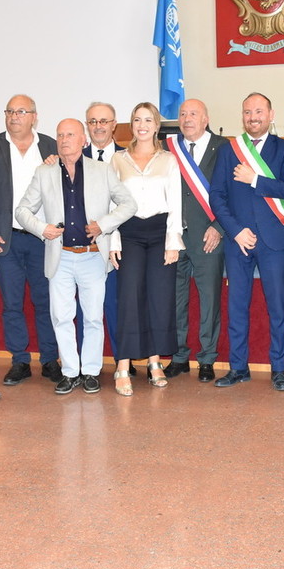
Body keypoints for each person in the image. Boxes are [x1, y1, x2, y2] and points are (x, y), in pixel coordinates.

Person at [15, 118, 137, 395]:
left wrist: (103, 225)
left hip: (93, 256)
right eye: (60, 135)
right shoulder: (44, 172)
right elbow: (22, 211)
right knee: (61, 317)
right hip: (60, 257)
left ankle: (91, 372)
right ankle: (70, 372)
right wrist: (42, 229)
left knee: (93, 318)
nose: (64, 140)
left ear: (83, 140)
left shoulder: (102, 170)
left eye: (70, 135)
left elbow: (129, 204)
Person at [209, 92, 284, 391]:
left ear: (271, 115)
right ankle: (238, 368)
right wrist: (235, 231)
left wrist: (254, 179)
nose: (253, 117)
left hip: (273, 241)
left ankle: (279, 369)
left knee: (277, 307)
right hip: (238, 241)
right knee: (237, 307)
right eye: (248, 112)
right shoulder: (229, 150)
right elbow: (217, 197)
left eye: (259, 111)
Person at [0, 94, 62, 386]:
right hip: (6, 238)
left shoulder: (50, 146)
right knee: (11, 304)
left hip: (42, 239)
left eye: (21, 111)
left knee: (45, 301)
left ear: (34, 117)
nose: (14, 116)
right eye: (10, 111)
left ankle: (50, 359)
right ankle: (19, 361)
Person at [108, 102, 183, 395]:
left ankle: (154, 363)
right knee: (129, 298)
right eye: (137, 120)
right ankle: (122, 366)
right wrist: (113, 240)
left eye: (148, 120)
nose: (142, 125)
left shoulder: (168, 160)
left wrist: (173, 242)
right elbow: (112, 204)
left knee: (158, 299)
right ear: (131, 125)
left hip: (160, 233)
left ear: (156, 126)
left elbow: (175, 202)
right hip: (129, 234)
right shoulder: (118, 160)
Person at [163, 98, 226, 381]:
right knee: (175, 300)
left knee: (209, 300)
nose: (187, 119)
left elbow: (233, 192)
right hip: (175, 237)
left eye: (193, 114)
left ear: (205, 119)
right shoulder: (168, 148)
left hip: (208, 236)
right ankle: (179, 356)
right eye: (182, 114)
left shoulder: (223, 148)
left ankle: (207, 358)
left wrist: (219, 226)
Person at [79, 101, 125, 369]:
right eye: (93, 121)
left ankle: (123, 362)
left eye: (103, 121)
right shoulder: (72, 157)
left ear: (114, 124)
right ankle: (85, 365)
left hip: (120, 244)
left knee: (119, 306)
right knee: (85, 308)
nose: (98, 126)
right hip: (85, 245)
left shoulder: (127, 156)